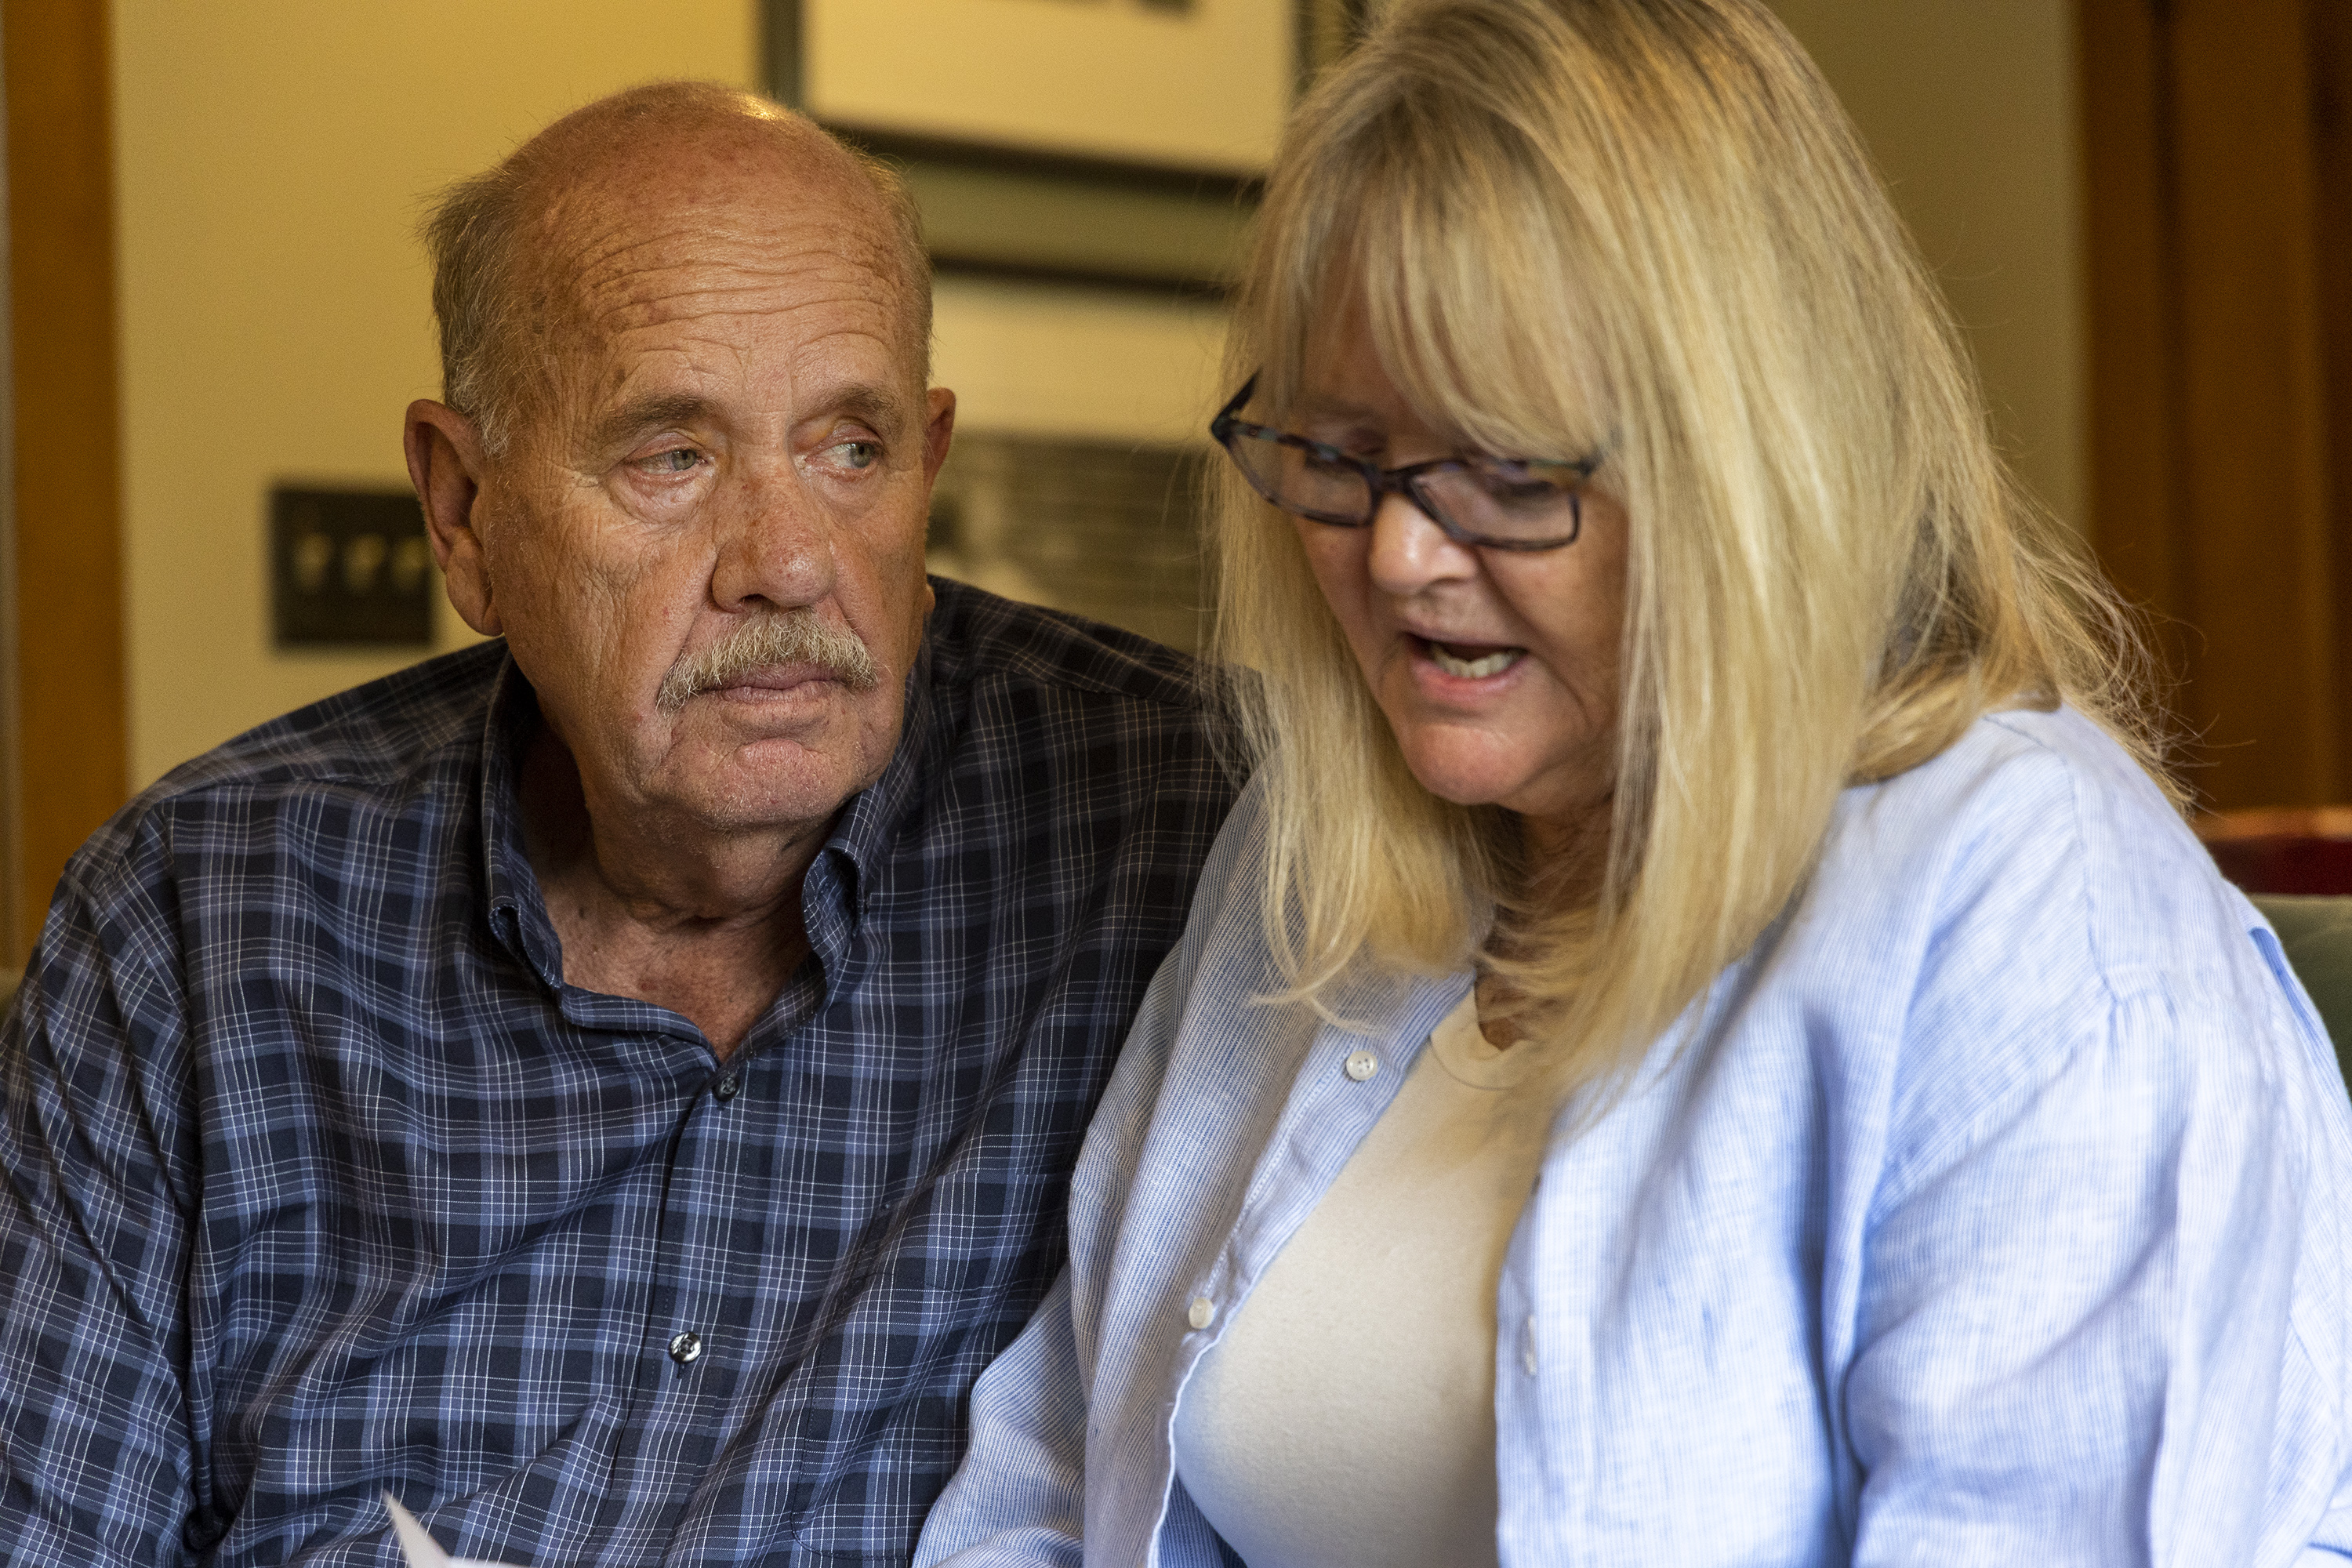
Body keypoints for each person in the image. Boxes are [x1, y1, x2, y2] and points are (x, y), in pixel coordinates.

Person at [915, 2, 2352, 1563]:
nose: (1399, 555)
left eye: (1513, 471)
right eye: (1340, 452)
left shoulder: (2029, 900)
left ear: (1753, 459)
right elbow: (1054, 1488)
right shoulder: (1315, 859)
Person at [0, 83, 1238, 1566]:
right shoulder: (200, 923)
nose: (787, 560)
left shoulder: (1186, 830)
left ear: (932, 462)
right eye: (673, 455)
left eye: (854, 448)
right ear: (463, 513)